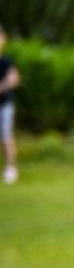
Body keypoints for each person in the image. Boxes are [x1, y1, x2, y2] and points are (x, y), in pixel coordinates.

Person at [0, 25, 18, 184]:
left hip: (4, 105)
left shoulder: (6, 61)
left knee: (6, 137)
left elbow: (14, 79)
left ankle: (10, 168)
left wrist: (2, 87)